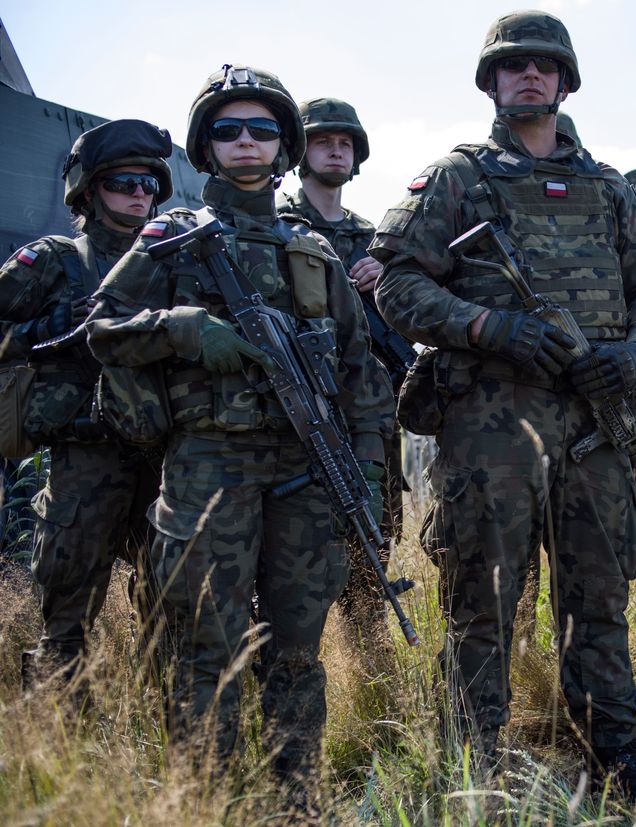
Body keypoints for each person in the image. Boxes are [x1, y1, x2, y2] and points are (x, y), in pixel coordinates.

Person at [368, 12, 636, 801]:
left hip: (594, 426)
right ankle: (473, 763)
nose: (530, 76)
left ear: (566, 80)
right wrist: (488, 326)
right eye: (514, 66)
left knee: (599, 599)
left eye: (545, 65)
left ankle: (615, 751)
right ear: (493, 82)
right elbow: (396, 283)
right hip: (492, 428)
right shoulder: (456, 180)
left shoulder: (609, 188)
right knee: (483, 600)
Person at [86, 64, 393, 815]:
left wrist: (370, 477)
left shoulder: (312, 249)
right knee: (207, 648)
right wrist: (184, 329)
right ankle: (212, 799)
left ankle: (297, 799)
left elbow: (360, 377)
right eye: (229, 130)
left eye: (261, 129)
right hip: (209, 466)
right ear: (206, 146)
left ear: (283, 145)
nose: (246, 142)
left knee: (296, 650)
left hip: (303, 471)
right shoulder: (172, 238)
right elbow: (99, 328)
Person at [1, 119, 173, 693]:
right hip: (84, 460)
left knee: (168, 608)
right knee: (66, 616)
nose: (138, 194)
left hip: (162, 461)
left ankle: (164, 737)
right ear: (89, 189)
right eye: (124, 181)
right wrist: (48, 328)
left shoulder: (174, 262)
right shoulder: (55, 260)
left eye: (149, 184)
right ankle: (55, 748)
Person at [277, 96, 403, 658]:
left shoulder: (373, 236)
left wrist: (390, 279)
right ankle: (293, 657)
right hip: (299, 412)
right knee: (294, 545)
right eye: (323, 140)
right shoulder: (276, 228)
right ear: (300, 152)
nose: (335, 149)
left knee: (373, 536)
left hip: (368, 411)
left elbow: (401, 328)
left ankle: (368, 663)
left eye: (345, 143)